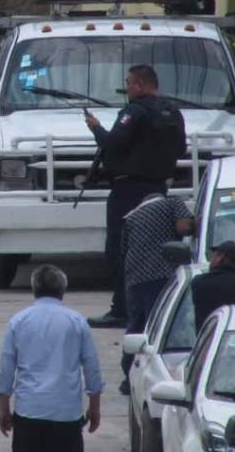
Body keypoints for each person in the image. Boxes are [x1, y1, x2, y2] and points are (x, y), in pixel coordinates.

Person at [84, 65, 187, 328]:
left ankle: (121, 310)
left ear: (140, 85)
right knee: (154, 250)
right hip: (158, 191)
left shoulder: (134, 111)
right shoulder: (172, 111)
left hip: (128, 191)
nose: (126, 88)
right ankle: (156, 308)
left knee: (120, 250)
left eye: (128, 83)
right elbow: (181, 148)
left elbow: (113, 143)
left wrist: (96, 128)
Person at [0, 264, 102, 452]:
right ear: (62, 290)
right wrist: (95, 406)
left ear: (34, 290)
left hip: (29, 412)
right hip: (66, 414)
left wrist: (4, 409)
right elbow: (91, 366)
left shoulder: (18, 321)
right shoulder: (77, 322)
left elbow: (6, 368)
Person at [118, 192, 195, 395]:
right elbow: (183, 226)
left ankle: (128, 377)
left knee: (137, 327)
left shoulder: (131, 217)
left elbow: (122, 250)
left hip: (134, 279)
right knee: (163, 327)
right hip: (160, 274)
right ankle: (162, 374)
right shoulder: (172, 202)